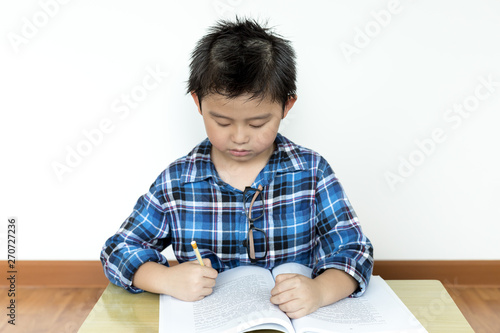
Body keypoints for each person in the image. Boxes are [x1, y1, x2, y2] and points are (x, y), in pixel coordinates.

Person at [100, 17, 373, 319]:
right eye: (222, 122)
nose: (240, 137)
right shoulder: (178, 182)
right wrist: (165, 279)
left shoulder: (312, 172)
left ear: (287, 106)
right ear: (198, 103)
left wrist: (319, 291)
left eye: (258, 123)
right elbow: (117, 250)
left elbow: (355, 250)